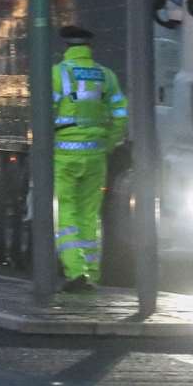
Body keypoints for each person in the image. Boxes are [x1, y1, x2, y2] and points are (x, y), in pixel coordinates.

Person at [51, 24, 128, 293]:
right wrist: (107, 143)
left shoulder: (58, 74)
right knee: (90, 215)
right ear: (89, 48)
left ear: (66, 48)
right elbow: (120, 114)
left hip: (64, 154)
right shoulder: (105, 76)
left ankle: (74, 271)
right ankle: (92, 273)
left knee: (67, 212)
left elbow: (44, 112)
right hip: (96, 154)